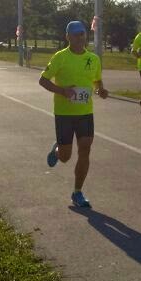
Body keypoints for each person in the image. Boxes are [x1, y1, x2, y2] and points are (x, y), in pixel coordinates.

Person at [39, 20, 108, 209]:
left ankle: (77, 192)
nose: (80, 37)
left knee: (85, 149)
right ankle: (57, 149)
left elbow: (97, 81)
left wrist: (100, 90)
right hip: (64, 114)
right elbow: (43, 80)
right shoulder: (60, 57)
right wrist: (62, 91)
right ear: (67, 37)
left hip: (85, 113)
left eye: (83, 34)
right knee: (65, 157)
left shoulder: (93, 59)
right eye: (76, 34)